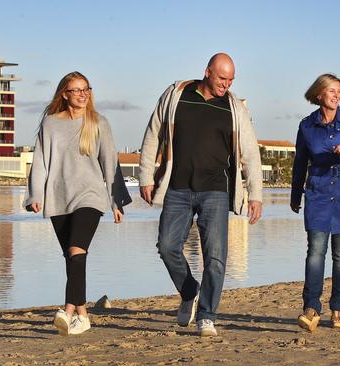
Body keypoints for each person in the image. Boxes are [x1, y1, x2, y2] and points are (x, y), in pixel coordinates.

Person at [138, 53, 262, 337]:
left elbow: (251, 154)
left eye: (231, 80)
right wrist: (146, 176)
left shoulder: (234, 108)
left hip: (216, 190)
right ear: (207, 72)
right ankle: (189, 290)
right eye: (222, 78)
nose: (226, 85)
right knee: (167, 246)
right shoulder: (176, 95)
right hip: (178, 187)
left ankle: (207, 315)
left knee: (216, 258)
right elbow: (153, 132)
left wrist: (255, 194)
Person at [24, 71, 130, 336]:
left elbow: (110, 163)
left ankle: (67, 310)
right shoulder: (50, 124)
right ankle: (83, 315)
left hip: (90, 196)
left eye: (86, 89)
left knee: (75, 251)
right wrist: (35, 195)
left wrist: (117, 201)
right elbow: (40, 163)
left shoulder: (98, 122)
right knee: (72, 258)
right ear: (64, 94)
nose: (83, 94)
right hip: (58, 198)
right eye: (77, 90)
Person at [290, 73, 340, 332]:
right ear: (319, 95)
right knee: (315, 252)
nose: (337, 95)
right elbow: (300, 162)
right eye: (332, 91)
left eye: (339, 91)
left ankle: (338, 308)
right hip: (318, 192)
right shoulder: (306, 126)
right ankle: (311, 308)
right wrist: (295, 194)